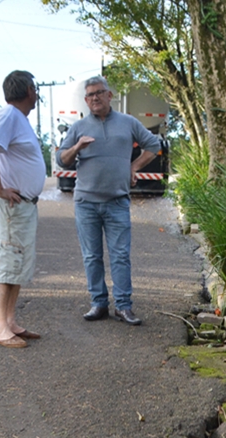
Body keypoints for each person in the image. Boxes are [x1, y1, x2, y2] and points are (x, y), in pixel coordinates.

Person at [56, 76, 161, 325]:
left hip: (117, 201)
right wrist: (77, 147)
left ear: (109, 95)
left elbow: (153, 144)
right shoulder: (79, 127)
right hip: (86, 203)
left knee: (120, 255)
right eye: (90, 95)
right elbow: (62, 159)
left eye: (99, 93)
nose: (95, 98)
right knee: (91, 256)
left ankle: (123, 306)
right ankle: (98, 303)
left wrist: (133, 166)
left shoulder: (128, 122)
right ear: (85, 100)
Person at [0, 70, 45, 348]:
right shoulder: (8, 115)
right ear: (29, 90)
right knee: (6, 261)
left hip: (21, 207)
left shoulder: (18, 119)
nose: (37, 95)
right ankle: (0, 328)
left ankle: (10, 321)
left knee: (17, 262)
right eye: (36, 89)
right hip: (9, 206)